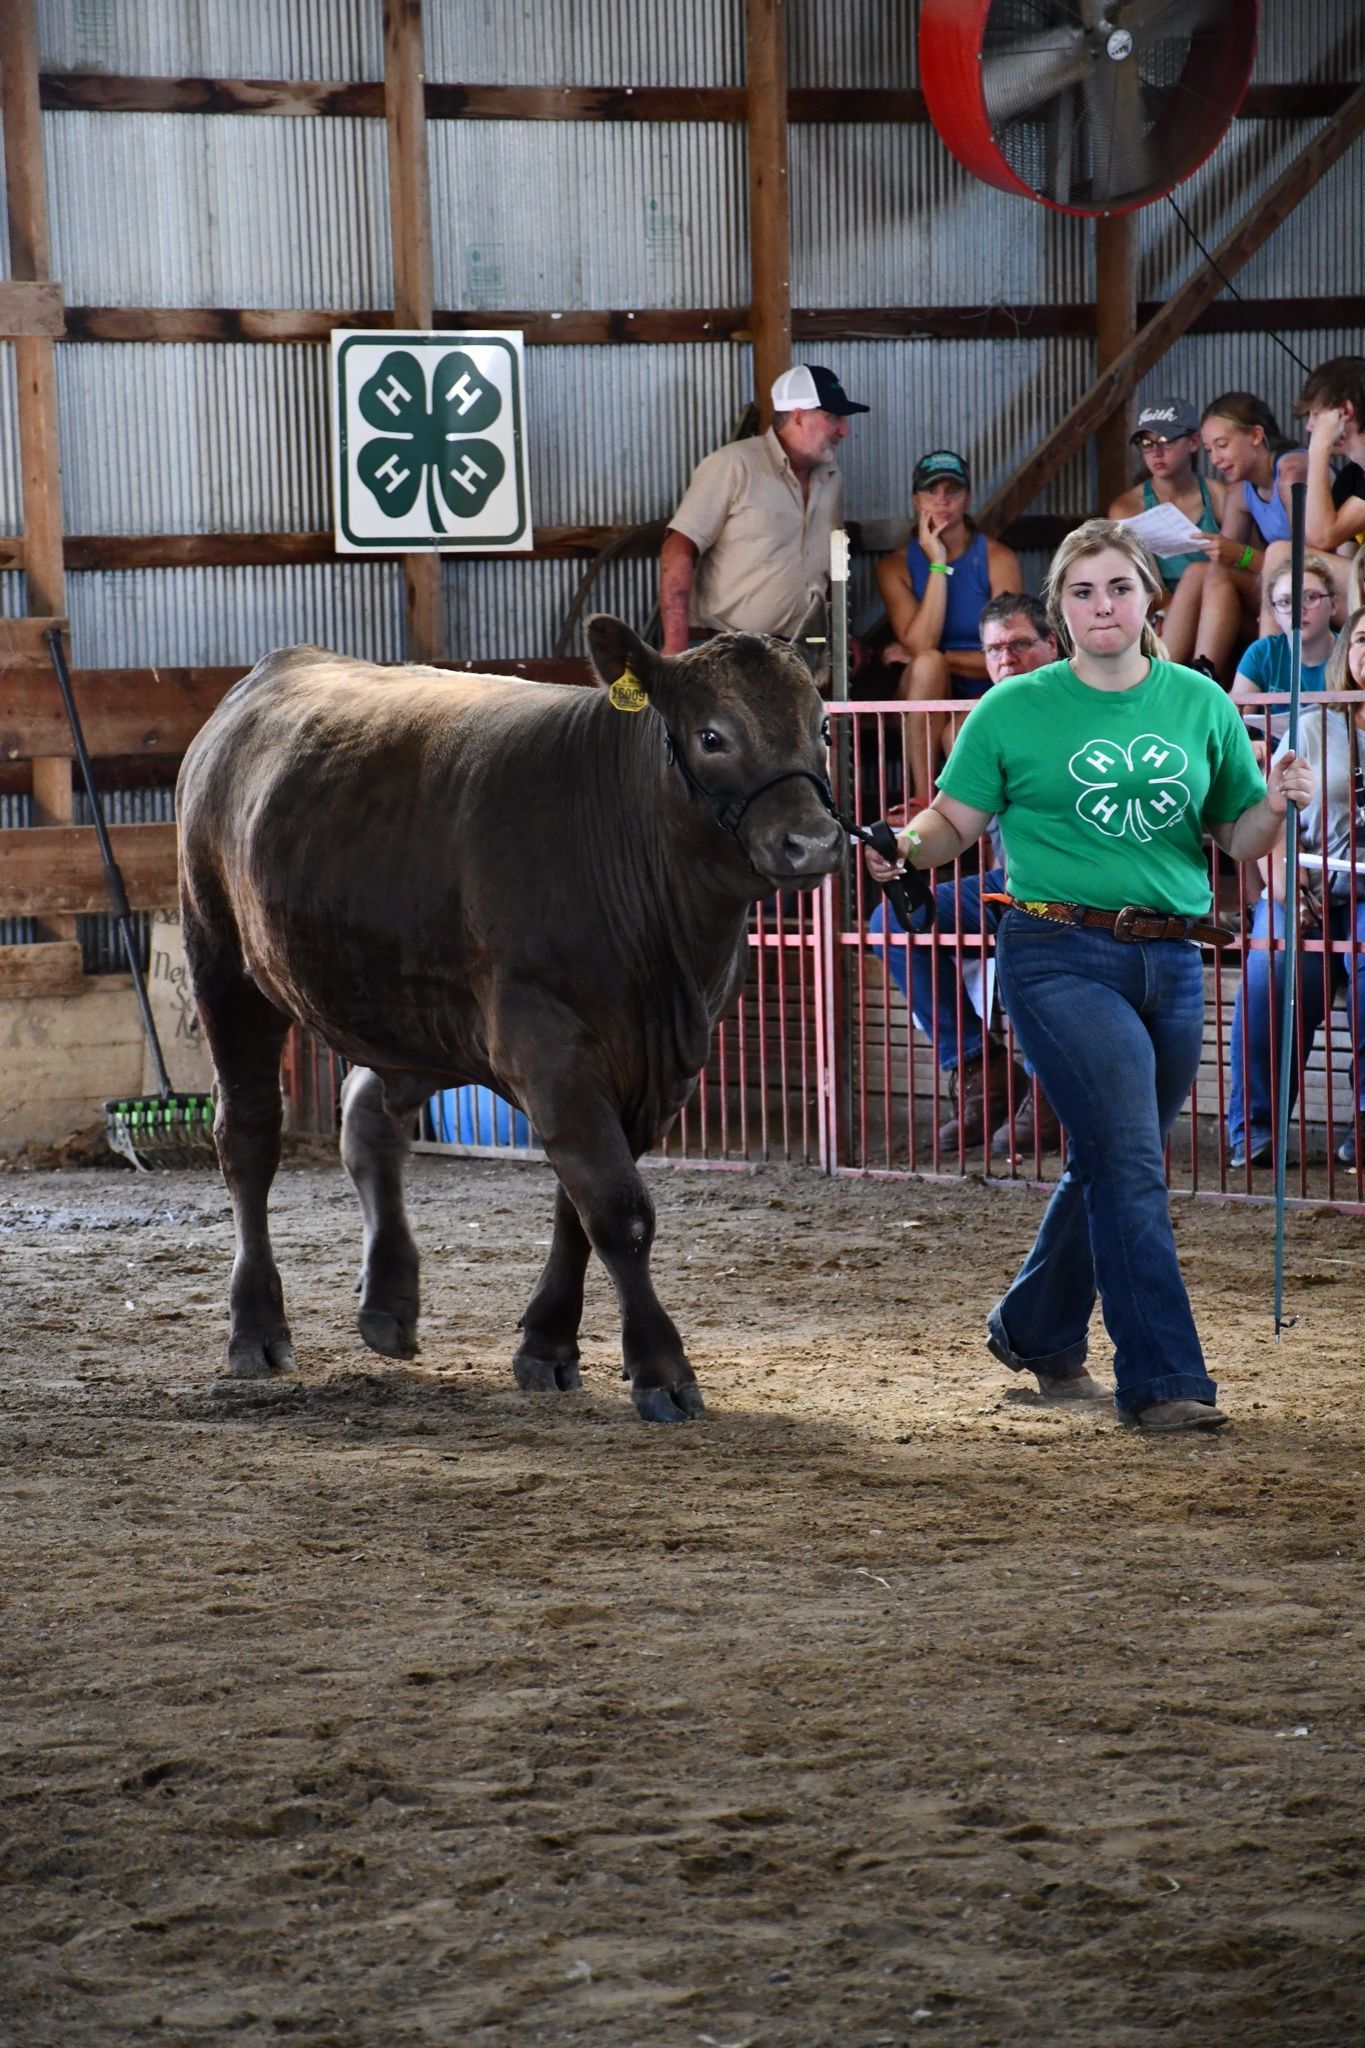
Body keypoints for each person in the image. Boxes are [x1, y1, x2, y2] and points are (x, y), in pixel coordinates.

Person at [865, 517, 1314, 1432]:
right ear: (1058, 609)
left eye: (1116, 588)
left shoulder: (1198, 702)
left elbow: (1236, 837)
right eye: (1081, 591)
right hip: (1053, 953)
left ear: (1149, 595)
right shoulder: (1011, 709)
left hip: (1174, 960)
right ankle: (1163, 1379)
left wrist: (1274, 802)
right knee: (1133, 1167)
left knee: (1108, 1162)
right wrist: (903, 847)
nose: (1101, 606)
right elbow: (951, 823)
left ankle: (1032, 1325)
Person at [867, 594, 1060, 1154]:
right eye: (994, 648)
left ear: (1052, 646)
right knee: (890, 921)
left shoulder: (1079, 710)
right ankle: (982, 1068)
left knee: (1026, 930)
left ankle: (1052, 1087)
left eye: (1020, 644)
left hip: (1076, 885)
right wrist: (907, 841)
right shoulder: (987, 721)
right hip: (1011, 881)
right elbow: (952, 816)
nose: (1007, 659)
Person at [1227, 605, 1365, 1170]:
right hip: (1303, 884)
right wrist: (1287, 883)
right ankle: (1254, 1129)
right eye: (1362, 639)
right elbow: (1274, 813)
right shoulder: (1313, 723)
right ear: (1346, 653)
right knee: (1272, 973)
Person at [658, 363, 868, 657]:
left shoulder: (831, 478)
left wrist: (840, 633)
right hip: (728, 652)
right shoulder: (734, 465)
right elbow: (677, 550)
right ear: (798, 417)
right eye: (832, 416)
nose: (844, 430)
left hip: (799, 655)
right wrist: (676, 645)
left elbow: (827, 568)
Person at [874, 451, 1022, 805]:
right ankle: (925, 799)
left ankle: (981, 832)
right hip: (920, 700)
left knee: (933, 670)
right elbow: (922, 643)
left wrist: (940, 656)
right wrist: (937, 563)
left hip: (985, 690)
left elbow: (1012, 653)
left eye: (952, 490)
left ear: (967, 497)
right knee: (927, 664)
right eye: (931, 491)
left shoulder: (998, 559)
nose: (942, 500)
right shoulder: (894, 566)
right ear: (915, 499)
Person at [1185, 393, 1304, 683]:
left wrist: (1241, 554)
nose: (1215, 459)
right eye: (1209, 450)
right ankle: (1196, 674)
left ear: (1255, 435)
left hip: (1315, 589)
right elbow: (1224, 565)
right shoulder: (1240, 490)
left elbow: (1308, 564)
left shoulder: (1291, 471)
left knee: (1278, 552)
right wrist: (1224, 552)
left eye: (1222, 445)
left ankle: (1266, 681)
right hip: (1276, 589)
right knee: (1200, 571)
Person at [1107, 395, 1224, 665]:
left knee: (1208, 578)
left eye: (1166, 442)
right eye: (1146, 445)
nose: (1156, 453)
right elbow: (1140, 582)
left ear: (1194, 442)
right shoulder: (1127, 507)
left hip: (1218, 602)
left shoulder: (1219, 497)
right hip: (1161, 608)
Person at [1232, 552, 1341, 740]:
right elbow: (1231, 725)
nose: (1298, 610)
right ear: (1274, 613)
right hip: (1276, 763)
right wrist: (1249, 747)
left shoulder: (1350, 652)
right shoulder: (1262, 653)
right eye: (1285, 602)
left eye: (1310, 597)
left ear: (1333, 604)